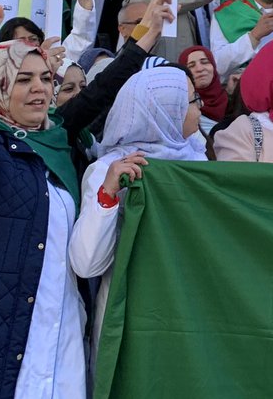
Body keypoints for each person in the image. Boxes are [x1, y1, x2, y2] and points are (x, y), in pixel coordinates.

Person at [0, 0, 172, 398]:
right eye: (23, 79)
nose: (40, 90)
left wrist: (146, 35)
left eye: (47, 79)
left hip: (60, 334)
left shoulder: (53, 139)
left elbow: (99, 92)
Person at [68, 66, 206, 359]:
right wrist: (107, 196)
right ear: (166, 111)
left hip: (193, 307)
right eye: (192, 101)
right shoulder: (109, 170)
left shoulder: (198, 158)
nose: (200, 108)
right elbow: (86, 264)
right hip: (134, 315)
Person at [179, 45, 231, 125]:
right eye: (191, 66)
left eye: (205, 62)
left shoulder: (232, 102)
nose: (200, 69)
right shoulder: (183, 111)